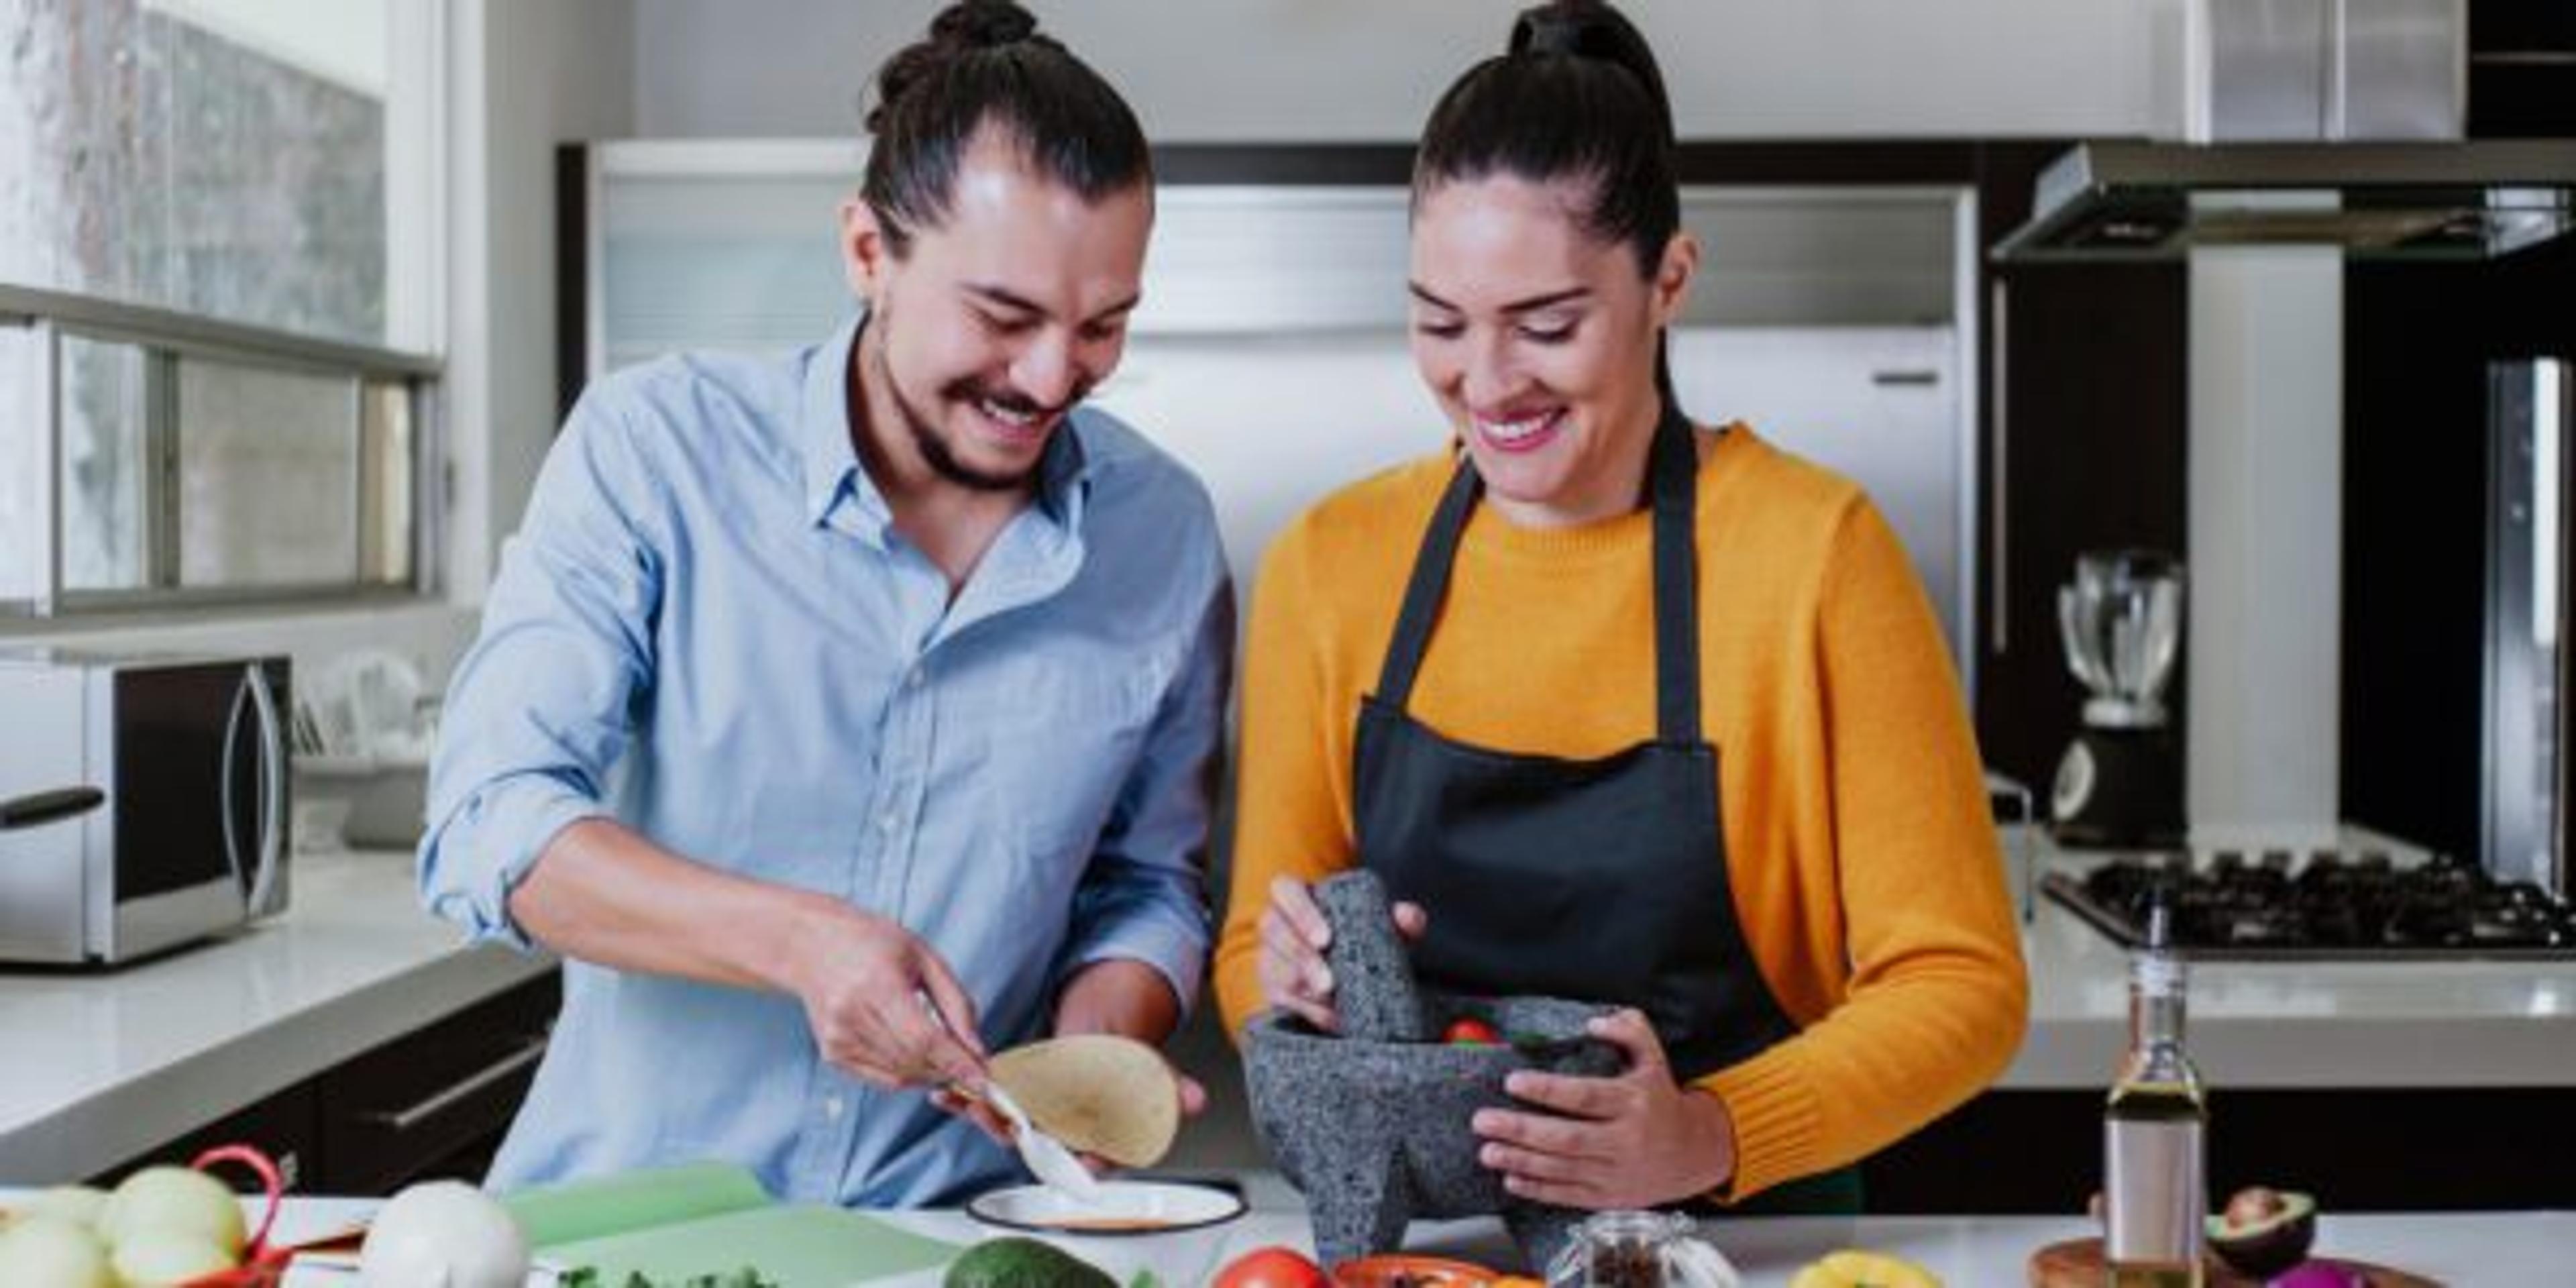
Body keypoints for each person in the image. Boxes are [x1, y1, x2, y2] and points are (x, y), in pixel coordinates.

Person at [1213, 0, 2026, 1215]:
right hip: (1435, 1251)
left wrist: (1708, 1133)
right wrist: (1297, 989)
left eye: (1548, 326)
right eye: (1440, 323)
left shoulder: (1815, 556)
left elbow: (1964, 984)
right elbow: (1246, 959)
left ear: (1669, 281)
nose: (1486, 384)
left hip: (1742, 1240)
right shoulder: (1333, 563)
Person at [420, 0, 1229, 1205]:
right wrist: (800, 943)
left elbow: (1149, 883)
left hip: (955, 1240)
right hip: (628, 1225)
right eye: (1004, 317)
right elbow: (492, 823)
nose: (1054, 376)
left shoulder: (1159, 534)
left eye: (1103, 326)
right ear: (867, 253)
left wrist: (1099, 1046)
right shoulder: (657, 451)